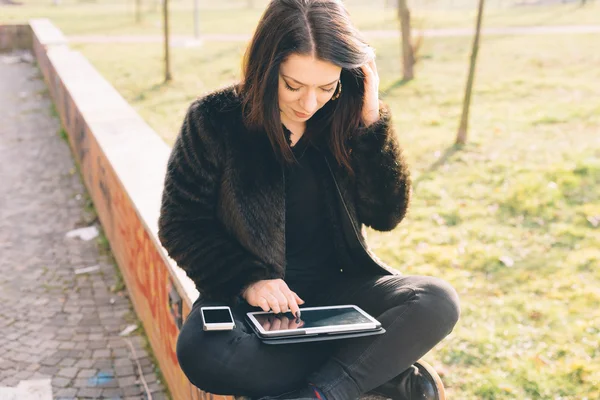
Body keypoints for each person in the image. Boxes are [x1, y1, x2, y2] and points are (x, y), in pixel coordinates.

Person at [157, 0, 460, 399]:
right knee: (205, 353)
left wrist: (371, 126)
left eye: (326, 87)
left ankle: (322, 393)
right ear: (266, 70)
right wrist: (249, 280)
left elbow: (386, 215)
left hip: (341, 291)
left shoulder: (348, 119)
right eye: (293, 86)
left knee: (436, 300)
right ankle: (379, 374)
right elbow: (180, 224)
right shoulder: (214, 119)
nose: (309, 103)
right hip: (255, 306)